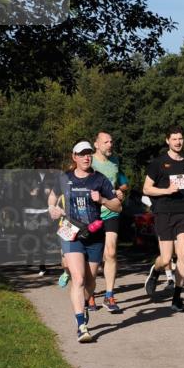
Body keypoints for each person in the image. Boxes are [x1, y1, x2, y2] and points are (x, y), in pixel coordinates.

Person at [48, 141, 122, 343]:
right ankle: (81, 325)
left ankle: (84, 304)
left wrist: (103, 201)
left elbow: (118, 207)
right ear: (74, 157)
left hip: (94, 234)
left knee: (90, 282)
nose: (86, 157)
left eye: (89, 153)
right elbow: (53, 196)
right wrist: (52, 209)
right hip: (70, 232)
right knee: (78, 278)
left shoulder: (100, 180)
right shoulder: (65, 178)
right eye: (82, 154)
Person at [142, 126, 184, 311]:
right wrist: (166, 190)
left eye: (180, 138)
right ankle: (156, 269)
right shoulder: (158, 163)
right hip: (164, 212)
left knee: (183, 254)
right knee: (166, 258)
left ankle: (177, 296)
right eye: (174, 139)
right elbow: (146, 189)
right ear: (167, 141)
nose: (178, 142)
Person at [91, 131, 129, 314]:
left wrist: (120, 191)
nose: (109, 145)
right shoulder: (88, 161)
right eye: (105, 142)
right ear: (96, 144)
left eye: (111, 141)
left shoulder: (115, 161)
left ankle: (109, 295)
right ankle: (89, 293)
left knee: (111, 251)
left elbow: (121, 183)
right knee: (93, 257)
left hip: (111, 211)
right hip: (91, 214)